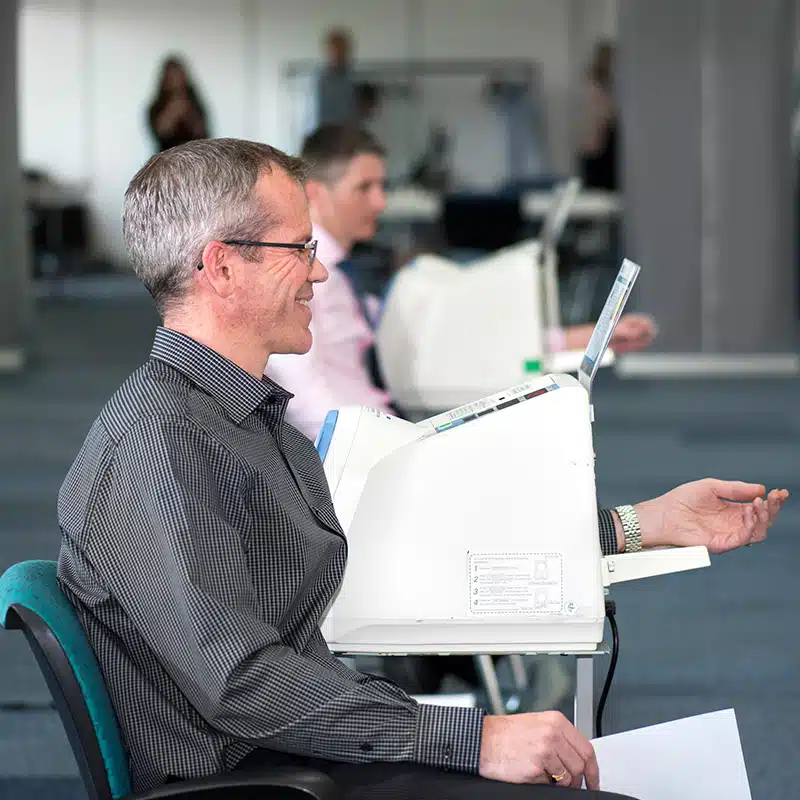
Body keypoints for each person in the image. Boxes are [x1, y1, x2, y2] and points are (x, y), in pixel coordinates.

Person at [57, 137, 788, 798]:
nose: (318, 270)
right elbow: (242, 684)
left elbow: (407, 551)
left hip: (309, 749)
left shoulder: (240, 417)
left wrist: (637, 526)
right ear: (221, 266)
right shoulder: (159, 445)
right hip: (264, 774)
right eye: (297, 249)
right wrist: (474, 738)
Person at [266, 124, 654, 444]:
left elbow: (449, 339)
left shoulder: (351, 275)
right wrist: (372, 449)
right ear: (316, 192)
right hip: (361, 443)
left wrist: (587, 336)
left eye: (382, 186)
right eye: (364, 188)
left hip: (387, 424)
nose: (380, 203)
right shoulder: (301, 272)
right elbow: (301, 395)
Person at [147, 55, 209, 153]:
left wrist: (188, 113)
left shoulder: (195, 104)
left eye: (177, 75)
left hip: (195, 158)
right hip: (166, 159)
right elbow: (159, 132)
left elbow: (203, 134)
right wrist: (173, 110)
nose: (175, 81)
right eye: (171, 76)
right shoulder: (156, 107)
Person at [579, 41, 617, 191]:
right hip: (597, 149)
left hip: (594, 148)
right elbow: (603, 117)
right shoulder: (597, 88)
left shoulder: (598, 87)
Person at [316, 29, 358, 127]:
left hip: (349, 135)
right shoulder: (320, 80)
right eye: (335, 50)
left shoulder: (353, 79)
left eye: (343, 50)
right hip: (325, 135)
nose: (339, 54)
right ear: (327, 52)